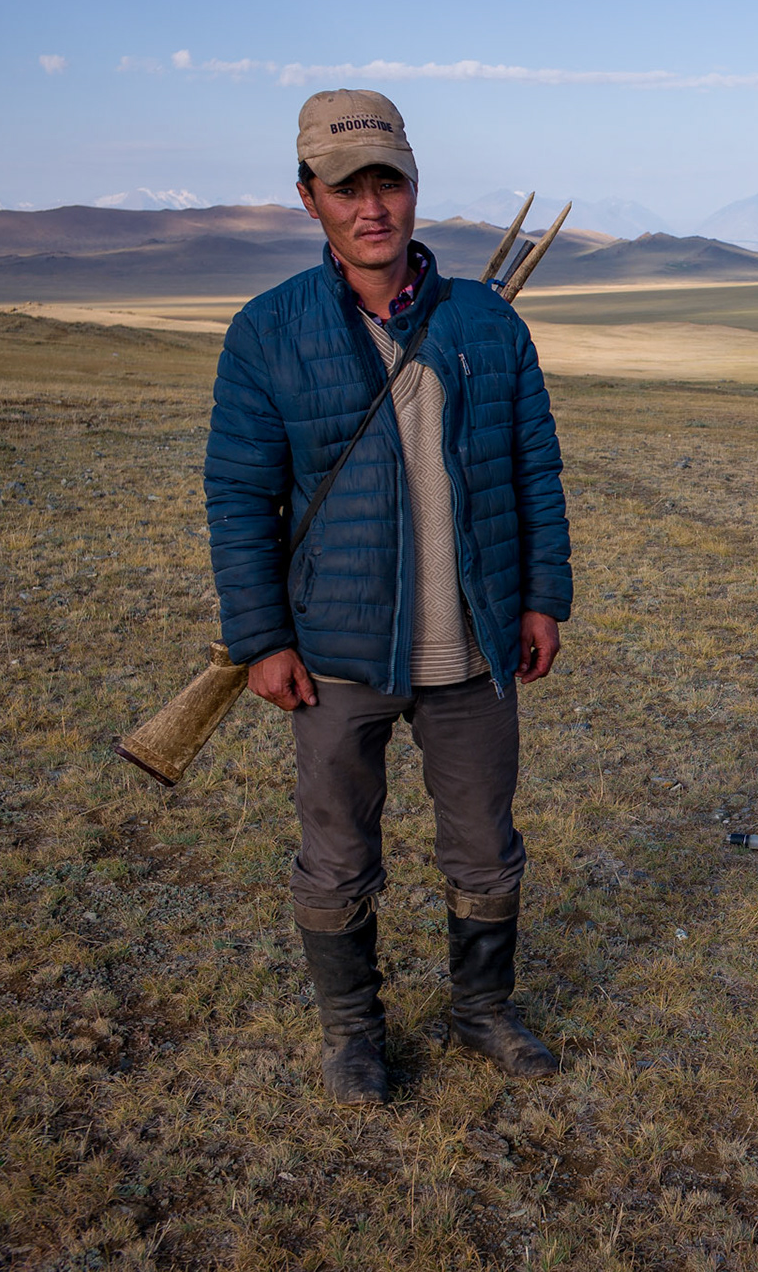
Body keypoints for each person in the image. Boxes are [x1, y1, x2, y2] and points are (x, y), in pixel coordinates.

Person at [204, 89, 573, 1104]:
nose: (372, 208)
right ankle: (354, 1033)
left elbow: (535, 472)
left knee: (485, 846)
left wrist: (542, 597)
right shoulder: (267, 331)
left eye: (388, 183)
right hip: (336, 650)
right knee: (335, 856)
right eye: (345, 188)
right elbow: (240, 498)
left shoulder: (488, 324)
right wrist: (261, 638)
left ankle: (482, 1010)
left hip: (475, 642)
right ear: (308, 197)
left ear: (415, 186)